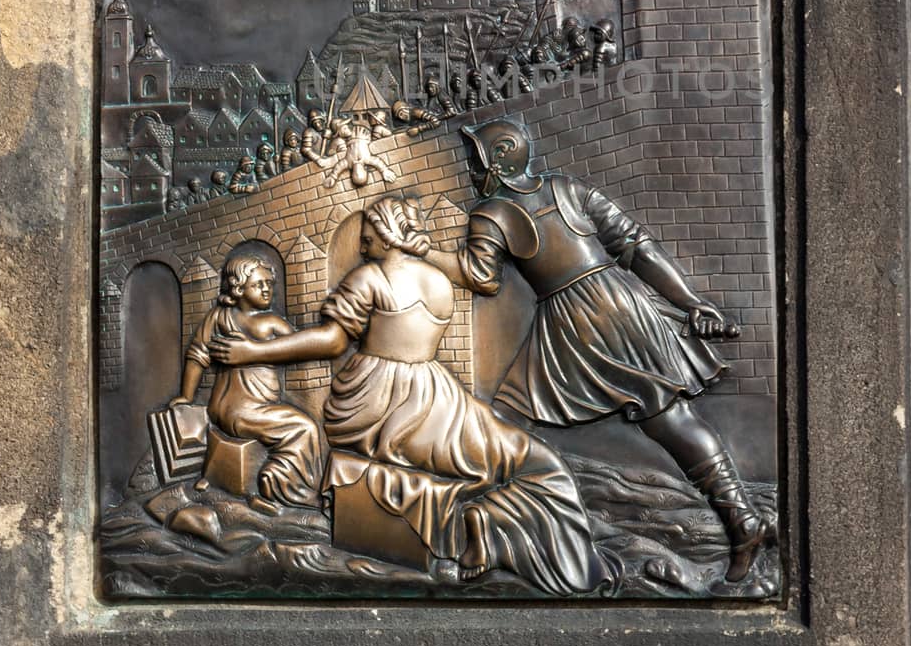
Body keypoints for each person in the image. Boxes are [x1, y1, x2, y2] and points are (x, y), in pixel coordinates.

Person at [208, 193, 609, 596]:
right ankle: (487, 520)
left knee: (506, 459)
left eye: (367, 238)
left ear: (386, 235)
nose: (362, 247)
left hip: (373, 405)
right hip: (438, 398)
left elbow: (331, 342)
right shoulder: (439, 280)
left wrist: (252, 351)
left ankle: (479, 521)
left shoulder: (369, 278)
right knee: (534, 461)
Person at [431, 118, 771, 584]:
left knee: (508, 419)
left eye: (477, 158)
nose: (471, 169)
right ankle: (741, 519)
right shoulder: (568, 188)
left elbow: (481, 276)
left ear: (500, 158)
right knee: (672, 420)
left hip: (579, 320)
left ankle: (507, 536)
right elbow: (638, 247)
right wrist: (689, 302)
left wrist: (420, 251)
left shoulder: (493, 213)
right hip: (624, 302)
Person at [171, 255, 322, 513]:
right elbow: (301, 346)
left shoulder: (218, 317)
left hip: (221, 411)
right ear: (238, 289)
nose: (266, 289)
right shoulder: (269, 323)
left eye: (269, 283)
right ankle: (277, 487)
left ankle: (220, 478)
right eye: (258, 284)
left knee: (294, 425)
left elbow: (198, 354)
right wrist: (184, 397)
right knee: (304, 428)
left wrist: (187, 396)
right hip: (248, 411)